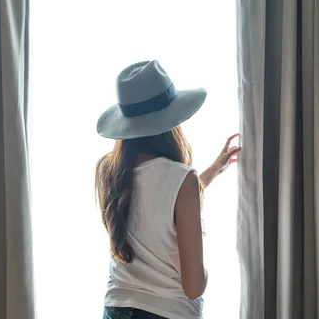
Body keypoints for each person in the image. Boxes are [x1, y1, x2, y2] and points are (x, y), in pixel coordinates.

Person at [96, 60, 241, 319]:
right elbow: (194, 287)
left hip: (115, 307)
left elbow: (153, 204)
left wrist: (212, 172)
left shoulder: (108, 170)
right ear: (171, 120)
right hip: (166, 312)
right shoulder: (180, 178)